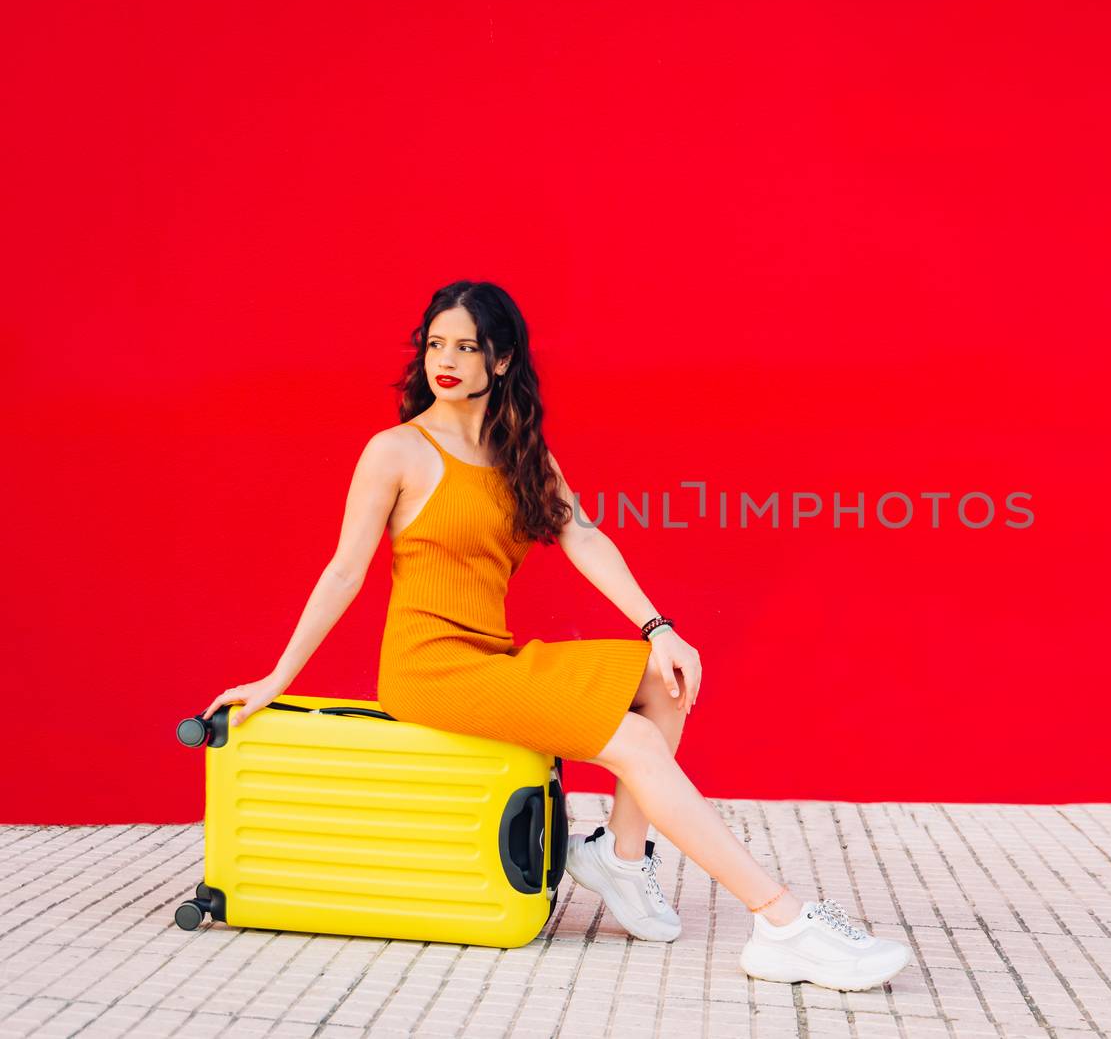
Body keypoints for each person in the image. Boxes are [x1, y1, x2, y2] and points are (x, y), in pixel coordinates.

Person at [201, 279, 912, 992]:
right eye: (435, 344)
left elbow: (584, 535)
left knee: (660, 678)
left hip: (491, 657)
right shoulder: (397, 452)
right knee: (631, 743)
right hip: (430, 669)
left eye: (467, 347)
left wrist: (659, 627)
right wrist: (277, 678)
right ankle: (783, 922)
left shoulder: (522, 457)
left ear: (502, 360)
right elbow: (343, 571)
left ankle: (622, 862)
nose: (444, 361)